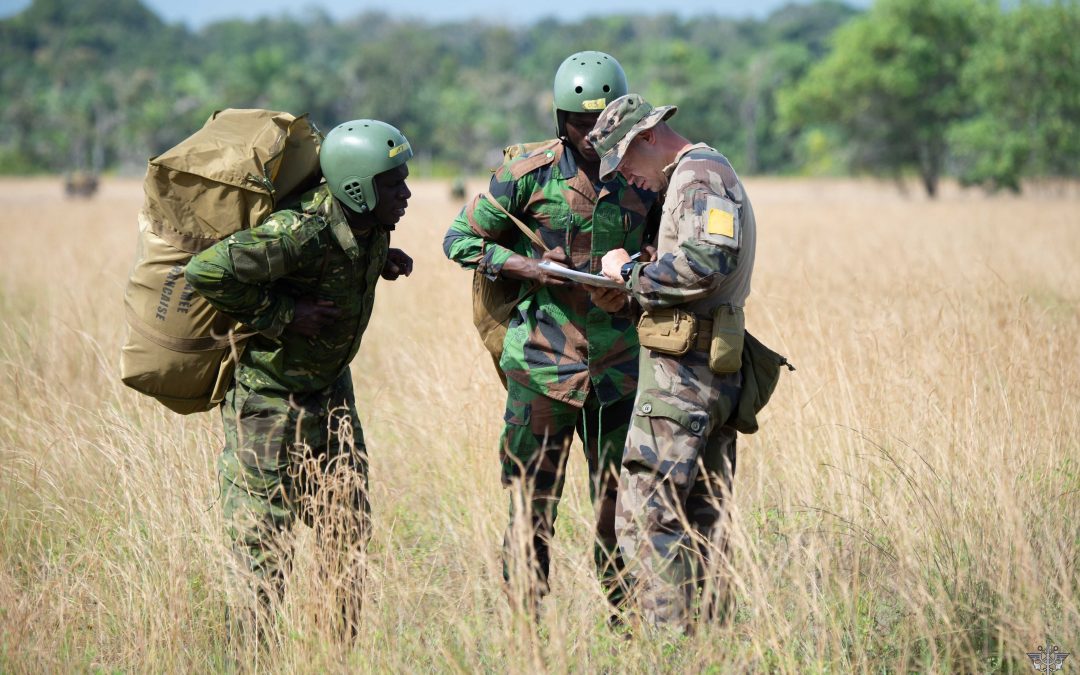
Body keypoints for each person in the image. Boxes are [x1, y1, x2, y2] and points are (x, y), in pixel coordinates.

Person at [443, 52, 658, 618]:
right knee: (531, 511)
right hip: (541, 371)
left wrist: (637, 272)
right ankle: (527, 630)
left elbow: (668, 254)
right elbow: (461, 239)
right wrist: (527, 267)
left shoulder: (645, 178)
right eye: (580, 123)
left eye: (603, 122)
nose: (592, 135)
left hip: (619, 374)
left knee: (620, 512)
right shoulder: (527, 173)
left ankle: (627, 623)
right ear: (560, 119)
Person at [185, 119, 415, 643]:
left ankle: (337, 654)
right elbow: (206, 271)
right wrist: (285, 315)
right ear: (358, 186)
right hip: (269, 404)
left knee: (348, 532)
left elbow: (350, 253)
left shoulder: (371, 225)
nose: (406, 192)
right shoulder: (300, 232)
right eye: (394, 182)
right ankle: (252, 657)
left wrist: (382, 262)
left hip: (331, 395)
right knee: (263, 546)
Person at [587, 94, 758, 633]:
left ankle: (669, 648)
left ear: (647, 138)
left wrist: (630, 274)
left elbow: (706, 264)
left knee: (647, 517)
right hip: (710, 366)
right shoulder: (702, 173)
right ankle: (712, 647)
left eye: (626, 165)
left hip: (686, 375)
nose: (630, 180)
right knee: (701, 517)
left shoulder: (698, 175)